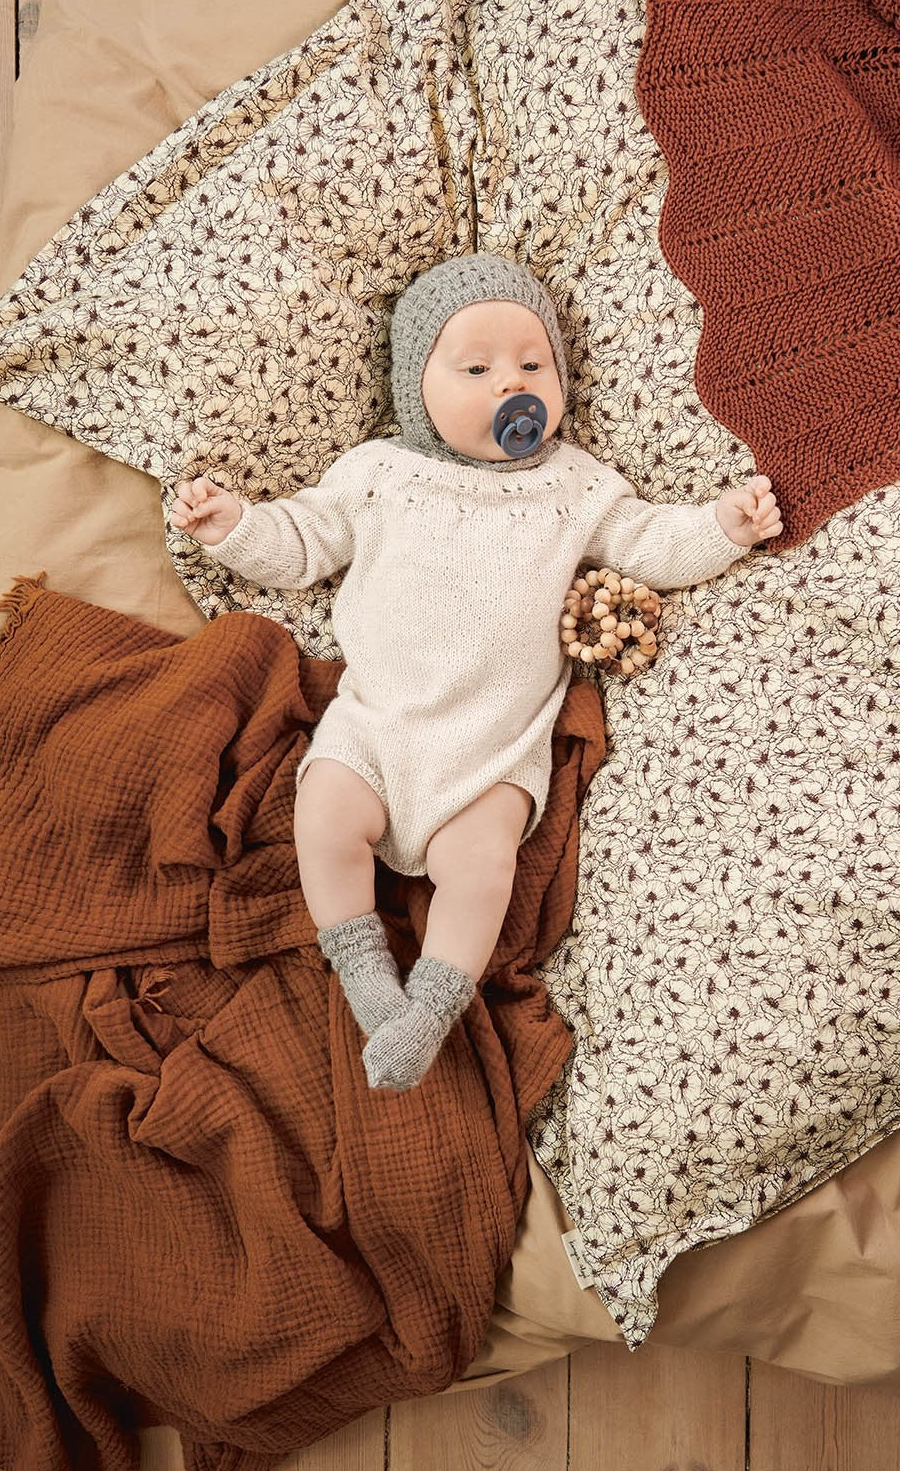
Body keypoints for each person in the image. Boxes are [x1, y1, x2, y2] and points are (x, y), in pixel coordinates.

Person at [169, 253, 783, 1090]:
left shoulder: (574, 484)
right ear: (416, 389)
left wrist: (723, 527)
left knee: (485, 867)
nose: (511, 384)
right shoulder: (379, 472)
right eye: (477, 369)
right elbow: (302, 543)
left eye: (533, 364)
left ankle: (430, 1009)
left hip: (493, 749)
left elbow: (648, 542)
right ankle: (367, 978)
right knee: (323, 817)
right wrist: (232, 525)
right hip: (376, 727)